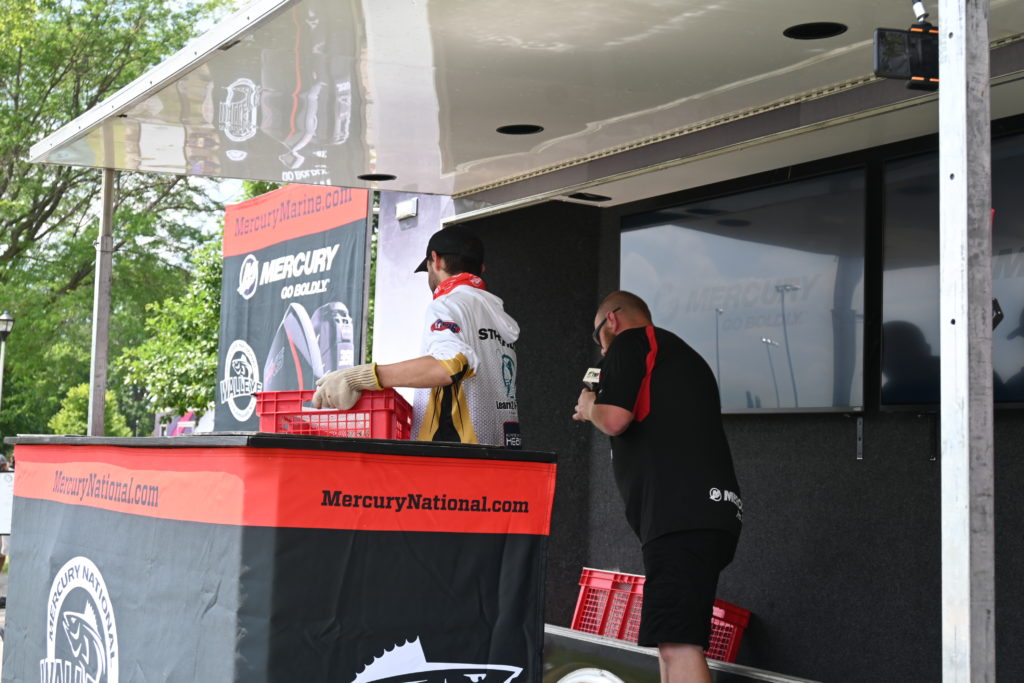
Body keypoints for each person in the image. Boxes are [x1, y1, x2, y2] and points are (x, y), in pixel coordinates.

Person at [573, 291, 741, 683]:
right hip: (701, 515)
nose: (602, 349)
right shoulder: (679, 355)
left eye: (598, 337)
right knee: (670, 641)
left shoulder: (632, 341)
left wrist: (589, 406)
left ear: (612, 321)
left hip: (680, 516)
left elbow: (614, 419)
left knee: (678, 644)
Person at [313, 225, 522, 448]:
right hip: (503, 455)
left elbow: (448, 365)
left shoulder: (447, 304)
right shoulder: (496, 315)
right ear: (481, 269)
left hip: (454, 457)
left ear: (436, 260)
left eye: (428, 268)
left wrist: (359, 377)